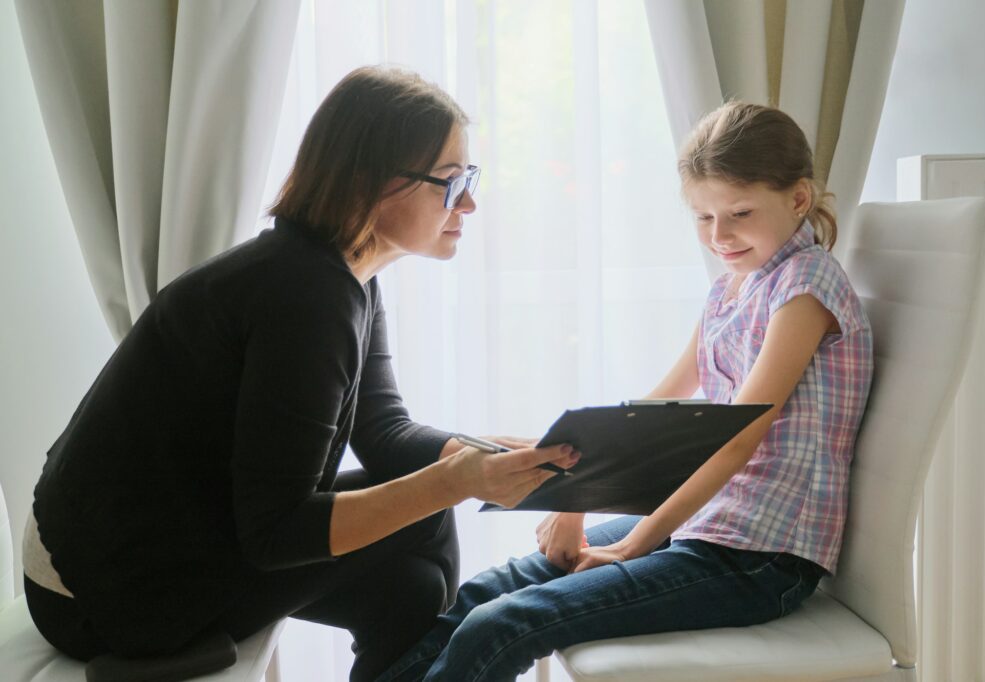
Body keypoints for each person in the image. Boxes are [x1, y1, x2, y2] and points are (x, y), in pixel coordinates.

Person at [22, 66, 577, 682]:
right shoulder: (305, 298)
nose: (469, 202)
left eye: (467, 178)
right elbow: (277, 533)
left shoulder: (340, 277)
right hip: (105, 594)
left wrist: (489, 456)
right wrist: (456, 481)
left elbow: (385, 431)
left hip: (150, 546)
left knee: (410, 584)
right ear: (369, 183)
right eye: (450, 182)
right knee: (426, 511)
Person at [378, 101, 875, 682]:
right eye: (703, 217)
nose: (720, 235)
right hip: (711, 528)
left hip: (763, 558)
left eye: (739, 212)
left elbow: (735, 441)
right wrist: (573, 496)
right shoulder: (733, 288)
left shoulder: (806, 286)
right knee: (490, 591)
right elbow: (652, 413)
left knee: (502, 624)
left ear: (797, 200)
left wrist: (632, 545)